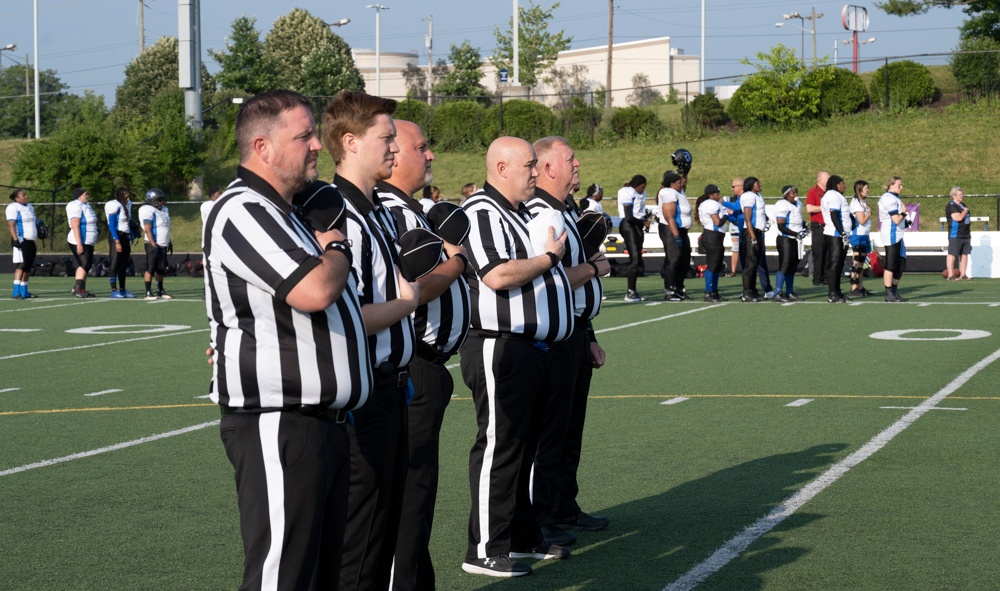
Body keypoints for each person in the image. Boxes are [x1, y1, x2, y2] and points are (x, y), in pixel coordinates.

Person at [204, 89, 369, 591]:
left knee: (318, 576)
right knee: (282, 577)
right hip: (281, 424)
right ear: (263, 147)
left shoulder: (292, 213)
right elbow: (316, 289)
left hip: (324, 426)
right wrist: (337, 245)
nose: (318, 144)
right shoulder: (241, 209)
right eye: (304, 135)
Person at [459, 136, 574, 578]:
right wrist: (548, 259)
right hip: (499, 344)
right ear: (502, 168)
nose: (535, 172)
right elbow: (497, 274)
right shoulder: (481, 211)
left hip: (532, 347)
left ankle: (521, 536)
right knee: (499, 447)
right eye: (528, 165)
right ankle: (485, 547)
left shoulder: (519, 212)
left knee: (523, 449)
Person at [322, 90, 420, 591]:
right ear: (350, 142)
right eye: (386, 138)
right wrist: (407, 304)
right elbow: (349, 314)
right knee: (359, 537)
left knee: (383, 526)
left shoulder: (376, 209)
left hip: (394, 388)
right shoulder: (339, 215)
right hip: (366, 393)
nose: (395, 148)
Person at [377, 120, 471, 591]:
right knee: (409, 492)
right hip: (411, 363)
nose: (431, 155)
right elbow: (410, 290)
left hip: (430, 366)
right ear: (392, 154)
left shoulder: (414, 210)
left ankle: (416, 580)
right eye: (422, 147)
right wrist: (456, 264)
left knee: (420, 490)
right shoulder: (391, 212)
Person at [525, 136, 610, 550]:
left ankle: (563, 504)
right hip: (555, 337)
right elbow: (549, 278)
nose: (577, 164)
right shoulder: (542, 214)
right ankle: (541, 515)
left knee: (569, 429)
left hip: (575, 332)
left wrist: (589, 334)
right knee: (550, 431)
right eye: (569, 159)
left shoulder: (565, 211)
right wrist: (594, 268)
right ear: (546, 168)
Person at [657, 170, 692, 301]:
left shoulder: (678, 191)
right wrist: (676, 235)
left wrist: (685, 172)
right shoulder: (668, 192)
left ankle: (678, 288)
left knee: (684, 259)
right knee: (673, 259)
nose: (681, 184)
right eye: (678, 183)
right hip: (671, 229)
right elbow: (669, 216)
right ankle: (669, 290)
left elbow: (684, 183)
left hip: (681, 229)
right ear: (671, 183)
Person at [821, 175, 853, 303]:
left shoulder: (837, 195)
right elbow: (834, 216)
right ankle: (832, 293)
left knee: (839, 264)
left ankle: (837, 291)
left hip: (839, 234)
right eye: (842, 183)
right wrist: (842, 233)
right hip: (835, 234)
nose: (844, 186)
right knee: (834, 263)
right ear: (836, 184)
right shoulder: (833, 195)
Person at [772, 185, 806, 302]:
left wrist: (804, 226)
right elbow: (781, 225)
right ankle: (778, 293)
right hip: (785, 239)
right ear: (786, 195)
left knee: (792, 266)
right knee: (785, 265)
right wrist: (796, 233)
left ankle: (789, 292)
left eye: (796, 192)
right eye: (792, 193)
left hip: (795, 239)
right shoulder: (782, 204)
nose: (795, 195)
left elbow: (798, 219)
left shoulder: (798, 204)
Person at [617, 174, 649, 302]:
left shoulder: (639, 193)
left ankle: (633, 291)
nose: (643, 189)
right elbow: (629, 216)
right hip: (629, 225)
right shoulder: (627, 192)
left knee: (637, 259)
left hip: (635, 226)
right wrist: (643, 223)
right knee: (635, 259)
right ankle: (630, 292)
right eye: (642, 187)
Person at [695, 184, 728, 302]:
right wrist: (726, 214)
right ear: (710, 195)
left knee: (716, 265)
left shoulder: (710, 203)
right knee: (713, 265)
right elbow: (718, 222)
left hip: (714, 236)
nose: (718, 196)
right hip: (713, 236)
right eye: (716, 194)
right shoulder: (711, 204)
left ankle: (714, 291)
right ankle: (709, 292)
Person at [878, 176, 909, 302]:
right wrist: (904, 213)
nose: (901, 187)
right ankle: (889, 293)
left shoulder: (895, 197)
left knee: (901, 264)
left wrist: (905, 222)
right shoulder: (888, 198)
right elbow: (896, 219)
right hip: (891, 233)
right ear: (891, 185)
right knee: (891, 264)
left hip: (898, 233)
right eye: (898, 185)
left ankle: (894, 291)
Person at [138, 189, 172, 300]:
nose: (161, 202)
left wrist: (169, 241)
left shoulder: (163, 210)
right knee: (151, 267)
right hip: (153, 243)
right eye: (159, 200)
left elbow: (166, 227)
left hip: (162, 243)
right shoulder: (147, 209)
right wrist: (153, 244)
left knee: (161, 268)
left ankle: (160, 290)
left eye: (162, 200)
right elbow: (147, 229)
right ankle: (148, 292)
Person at [66, 187, 98, 298]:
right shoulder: (75, 205)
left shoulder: (86, 206)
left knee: (87, 264)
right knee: (85, 264)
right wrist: (79, 243)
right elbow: (75, 225)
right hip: (80, 239)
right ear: (79, 196)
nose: (87, 196)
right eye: (85, 194)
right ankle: (77, 288)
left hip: (88, 239)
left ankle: (82, 288)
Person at [739, 177, 767, 302]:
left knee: (755, 263)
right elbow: (747, 218)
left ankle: (753, 290)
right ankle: (746, 292)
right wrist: (753, 237)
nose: (760, 185)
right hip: (751, 232)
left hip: (758, 232)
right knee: (750, 264)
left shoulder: (757, 195)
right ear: (751, 185)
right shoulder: (749, 196)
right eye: (757, 183)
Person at [105, 187, 136, 299]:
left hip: (125, 235)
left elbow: (127, 220)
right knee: (115, 262)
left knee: (124, 263)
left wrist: (131, 232)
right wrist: (116, 240)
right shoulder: (114, 205)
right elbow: (112, 225)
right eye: (126, 194)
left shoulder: (128, 204)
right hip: (116, 235)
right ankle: (113, 290)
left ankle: (122, 289)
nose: (128, 196)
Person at [7, 189, 39, 299]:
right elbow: (11, 224)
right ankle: (16, 291)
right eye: (23, 195)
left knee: (28, 266)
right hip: (21, 239)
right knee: (21, 265)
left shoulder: (30, 207)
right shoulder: (13, 207)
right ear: (17, 198)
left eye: (26, 194)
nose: (26, 196)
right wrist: (15, 239)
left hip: (31, 240)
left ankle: (24, 290)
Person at [848, 180, 874, 298]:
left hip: (864, 235)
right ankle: (854, 288)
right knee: (857, 262)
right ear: (859, 190)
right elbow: (861, 220)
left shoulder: (863, 202)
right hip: (857, 235)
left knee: (862, 262)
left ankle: (860, 287)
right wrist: (869, 213)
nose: (867, 190)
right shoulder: (856, 203)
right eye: (865, 188)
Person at [806, 171, 830, 285]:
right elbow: (809, 208)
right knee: (819, 252)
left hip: (829, 226)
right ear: (820, 179)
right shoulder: (813, 192)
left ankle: (826, 277)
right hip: (818, 226)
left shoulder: (829, 193)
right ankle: (817, 278)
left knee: (828, 253)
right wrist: (823, 207)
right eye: (827, 178)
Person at [945, 185, 972, 280]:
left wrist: (965, 210)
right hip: (955, 234)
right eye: (959, 195)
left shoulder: (963, 205)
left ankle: (963, 274)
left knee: (964, 254)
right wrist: (965, 211)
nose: (962, 196)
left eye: (962, 194)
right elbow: (958, 218)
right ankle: (950, 275)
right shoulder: (951, 206)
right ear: (953, 196)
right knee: (952, 253)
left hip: (966, 234)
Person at [722, 178, 744, 277]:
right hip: (736, 226)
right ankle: (733, 271)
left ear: (740, 187)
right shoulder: (731, 198)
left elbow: (736, 208)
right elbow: (732, 214)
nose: (731, 189)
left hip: (746, 226)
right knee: (736, 248)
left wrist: (723, 202)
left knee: (747, 249)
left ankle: (748, 270)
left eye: (733, 186)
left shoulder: (746, 197)